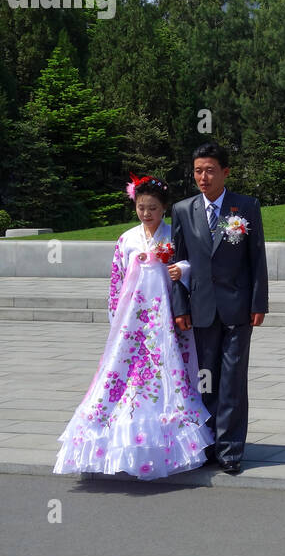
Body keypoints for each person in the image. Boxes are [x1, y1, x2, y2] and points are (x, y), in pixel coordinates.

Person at [54, 175, 213, 480]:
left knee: (167, 376)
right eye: (141, 207)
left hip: (165, 322)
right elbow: (116, 281)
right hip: (133, 323)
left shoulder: (174, 236)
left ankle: (171, 443)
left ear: (164, 208)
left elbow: (191, 266)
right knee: (125, 376)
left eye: (152, 207)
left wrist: (183, 270)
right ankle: (117, 439)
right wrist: (116, 319)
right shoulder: (127, 240)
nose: (146, 213)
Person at [170, 142, 268, 475]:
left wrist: (259, 302)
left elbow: (257, 259)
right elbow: (177, 263)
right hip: (200, 309)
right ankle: (207, 444)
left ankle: (230, 450)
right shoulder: (183, 210)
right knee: (205, 380)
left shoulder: (246, 207)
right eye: (198, 170)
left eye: (210, 170)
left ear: (225, 172)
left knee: (232, 381)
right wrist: (179, 306)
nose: (203, 177)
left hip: (238, 309)